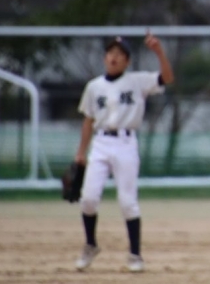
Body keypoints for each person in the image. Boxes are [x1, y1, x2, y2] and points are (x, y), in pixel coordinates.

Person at [73, 32, 174, 272]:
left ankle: (135, 255)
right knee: (88, 199)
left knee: (128, 202)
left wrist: (159, 52)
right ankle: (90, 244)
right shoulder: (94, 87)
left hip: (126, 143)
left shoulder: (137, 81)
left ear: (127, 61)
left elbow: (167, 78)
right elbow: (88, 120)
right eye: (111, 53)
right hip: (100, 143)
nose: (114, 57)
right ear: (104, 57)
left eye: (120, 54)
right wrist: (81, 153)